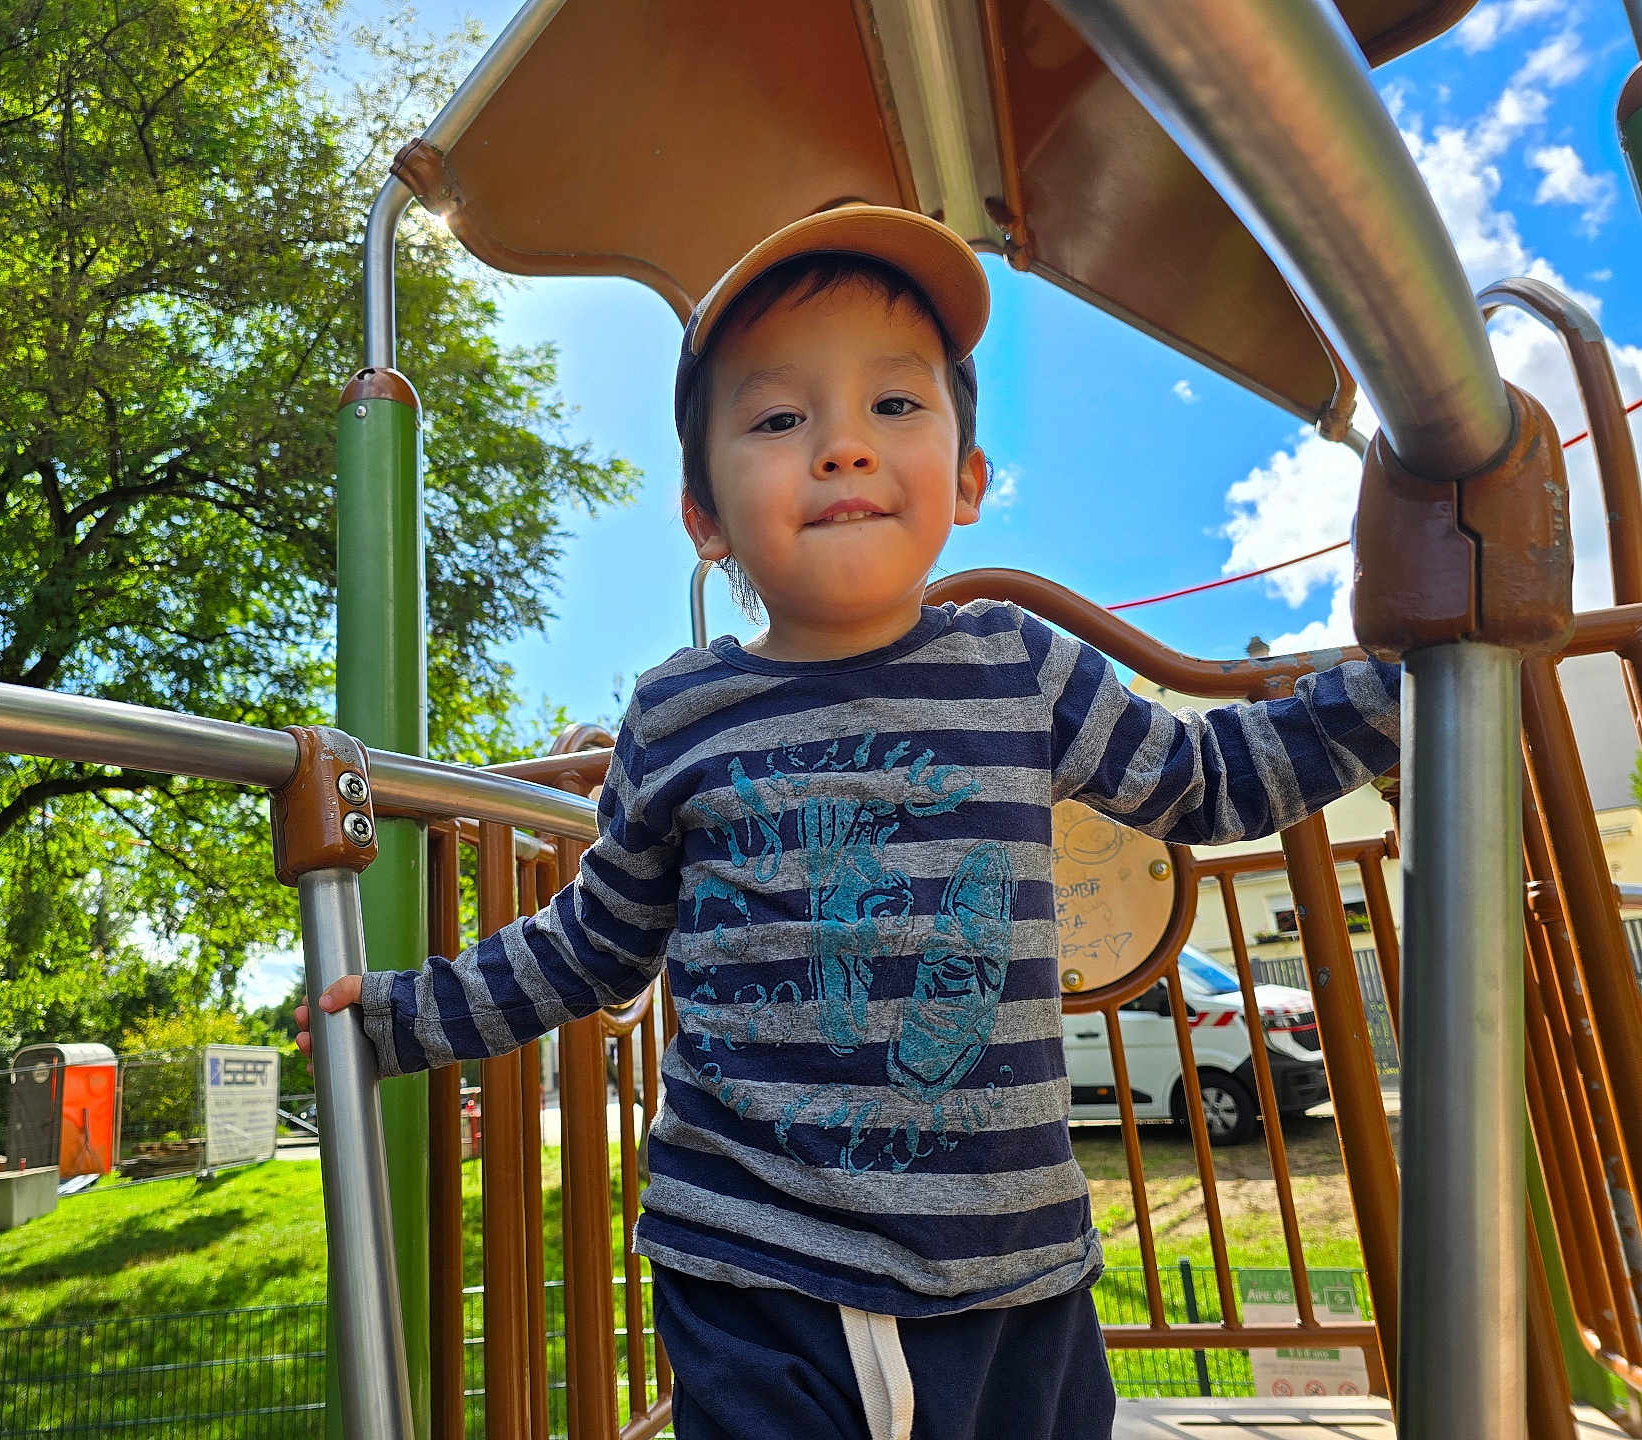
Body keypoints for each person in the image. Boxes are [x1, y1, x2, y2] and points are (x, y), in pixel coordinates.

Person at [297, 206, 1401, 1440]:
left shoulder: (1017, 670)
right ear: (704, 518)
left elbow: (1211, 781)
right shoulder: (682, 713)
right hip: (756, 1275)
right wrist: (407, 1014)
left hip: (1017, 1279)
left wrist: (1408, 683)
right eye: (779, 420)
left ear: (968, 479)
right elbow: (594, 941)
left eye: (894, 406)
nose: (841, 448)